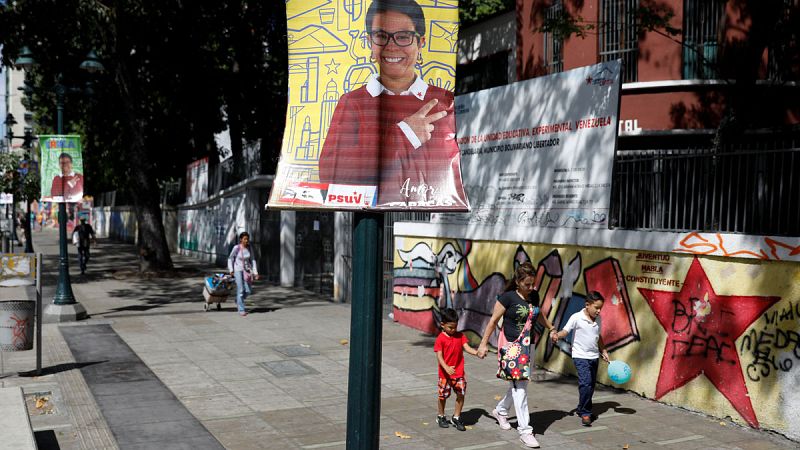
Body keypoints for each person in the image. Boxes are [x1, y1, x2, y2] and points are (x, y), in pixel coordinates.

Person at [317, 0, 469, 209]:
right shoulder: (352, 103)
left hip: (428, 220)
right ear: (369, 41)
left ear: (421, 42)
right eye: (381, 36)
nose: (391, 45)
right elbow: (330, 173)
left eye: (404, 37)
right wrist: (404, 135)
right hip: (371, 217)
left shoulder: (444, 101)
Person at [477, 262, 556, 448]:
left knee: (520, 384)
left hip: (529, 347)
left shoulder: (534, 296)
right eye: (527, 284)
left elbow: (539, 314)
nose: (531, 287)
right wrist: (482, 344)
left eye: (533, 284)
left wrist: (552, 328)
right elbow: (493, 321)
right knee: (520, 389)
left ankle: (500, 411)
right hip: (512, 347)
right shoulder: (507, 298)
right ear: (518, 281)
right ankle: (525, 431)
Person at [551, 291, 610, 427]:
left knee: (591, 385)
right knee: (586, 383)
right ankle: (585, 412)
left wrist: (604, 350)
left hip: (594, 356)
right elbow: (566, 331)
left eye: (601, 308)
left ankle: (582, 407)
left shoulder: (598, 320)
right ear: (587, 305)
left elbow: (598, 336)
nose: (599, 311)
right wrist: (557, 336)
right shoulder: (576, 317)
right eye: (596, 307)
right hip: (580, 356)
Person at [434, 308, 479, 431]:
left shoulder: (460, 336)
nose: (453, 330)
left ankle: (456, 417)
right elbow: (439, 356)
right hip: (445, 374)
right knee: (443, 396)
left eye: (455, 327)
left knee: (461, 393)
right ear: (442, 325)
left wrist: (477, 353)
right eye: (450, 327)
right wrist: (446, 368)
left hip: (458, 373)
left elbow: (467, 348)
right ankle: (441, 415)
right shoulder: (440, 339)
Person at [228, 232, 259, 316]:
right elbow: (230, 258)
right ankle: (241, 309)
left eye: (247, 239)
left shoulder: (249, 248)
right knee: (241, 290)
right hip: (238, 270)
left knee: (248, 290)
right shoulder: (236, 248)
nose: (246, 240)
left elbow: (252, 260)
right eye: (245, 239)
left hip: (247, 271)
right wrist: (231, 270)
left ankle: (238, 300)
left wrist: (255, 272)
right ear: (241, 239)